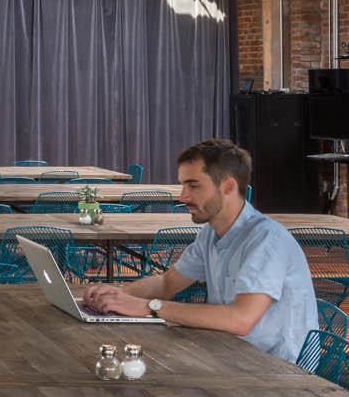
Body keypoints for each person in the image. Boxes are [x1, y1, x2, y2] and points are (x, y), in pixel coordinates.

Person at [84, 138, 318, 363]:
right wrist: (117, 295)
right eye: (183, 185)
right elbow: (166, 283)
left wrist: (150, 307)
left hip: (279, 372)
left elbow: (240, 320)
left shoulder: (266, 239)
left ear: (228, 187)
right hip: (232, 355)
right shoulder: (211, 232)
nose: (183, 196)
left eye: (193, 186)